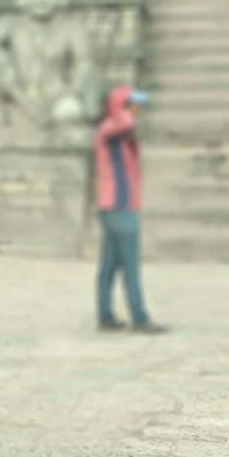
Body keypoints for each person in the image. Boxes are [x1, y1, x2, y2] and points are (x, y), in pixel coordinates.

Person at [95, 85, 167, 334]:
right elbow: (125, 122)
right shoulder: (111, 129)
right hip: (120, 208)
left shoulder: (120, 134)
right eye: (133, 104)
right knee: (130, 266)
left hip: (116, 207)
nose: (138, 109)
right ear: (121, 106)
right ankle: (140, 318)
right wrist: (122, 110)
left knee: (110, 265)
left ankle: (105, 316)